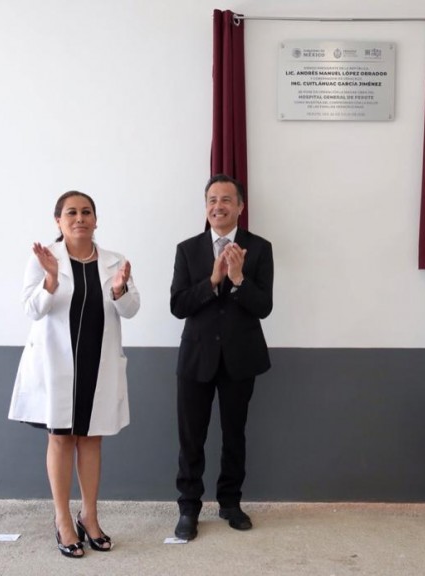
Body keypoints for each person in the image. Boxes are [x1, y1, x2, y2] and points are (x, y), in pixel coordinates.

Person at [9, 191, 140, 558]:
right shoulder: (44, 260)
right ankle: (63, 519)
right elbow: (32, 310)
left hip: (98, 363)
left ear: (96, 220)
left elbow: (131, 309)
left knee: (91, 439)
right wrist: (50, 279)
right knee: (62, 439)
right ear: (59, 221)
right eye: (71, 212)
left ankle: (90, 516)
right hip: (57, 366)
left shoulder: (116, 261)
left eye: (86, 212)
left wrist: (120, 290)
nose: (79, 218)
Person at [171, 174, 274, 541]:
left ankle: (230, 503)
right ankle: (189, 507)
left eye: (227, 199)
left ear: (240, 207)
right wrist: (213, 281)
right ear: (205, 207)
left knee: (234, 435)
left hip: (240, 358)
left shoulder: (259, 248)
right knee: (191, 437)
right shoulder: (188, 249)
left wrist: (239, 278)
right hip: (196, 358)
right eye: (212, 200)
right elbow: (178, 305)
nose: (219, 206)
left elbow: (264, 307)